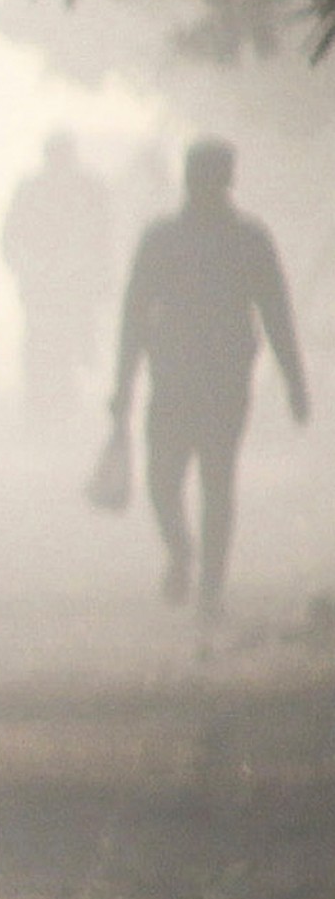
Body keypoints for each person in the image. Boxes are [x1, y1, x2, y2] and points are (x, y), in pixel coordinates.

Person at [112, 136, 309, 617]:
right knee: (174, 480)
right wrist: (122, 385)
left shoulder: (242, 239)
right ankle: (187, 558)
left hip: (211, 378)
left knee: (201, 480)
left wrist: (295, 381)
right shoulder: (173, 238)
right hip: (188, 376)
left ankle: (208, 583)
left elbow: (276, 312)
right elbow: (135, 313)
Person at [0, 132, 117, 421]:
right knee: (42, 336)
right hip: (44, 278)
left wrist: (100, 273)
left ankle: (55, 393)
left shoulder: (86, 188)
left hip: (68, 279)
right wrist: (21, 265)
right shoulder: (76, 187)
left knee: (65, 335)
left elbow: (104, 235)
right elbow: (12, 234)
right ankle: (42, 396)